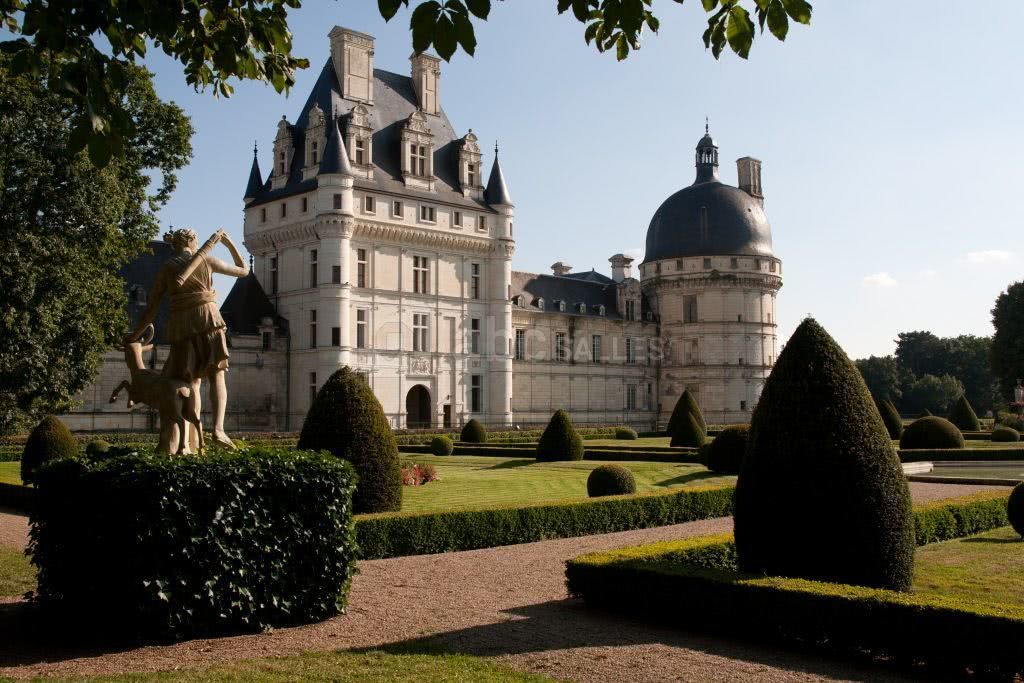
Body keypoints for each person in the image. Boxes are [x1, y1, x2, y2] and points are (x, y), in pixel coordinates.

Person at [127, 228, 249, 449]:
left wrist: (134, 336)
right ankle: (218, 430)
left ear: (174, 245)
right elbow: (244, 270)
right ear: (193, 242)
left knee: (191, 381)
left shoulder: (167, 268)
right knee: (217, 375)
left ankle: (191, 442)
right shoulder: (208, 260)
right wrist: (229, 243)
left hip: (183, 326)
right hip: (210, 320)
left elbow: (151, 309)